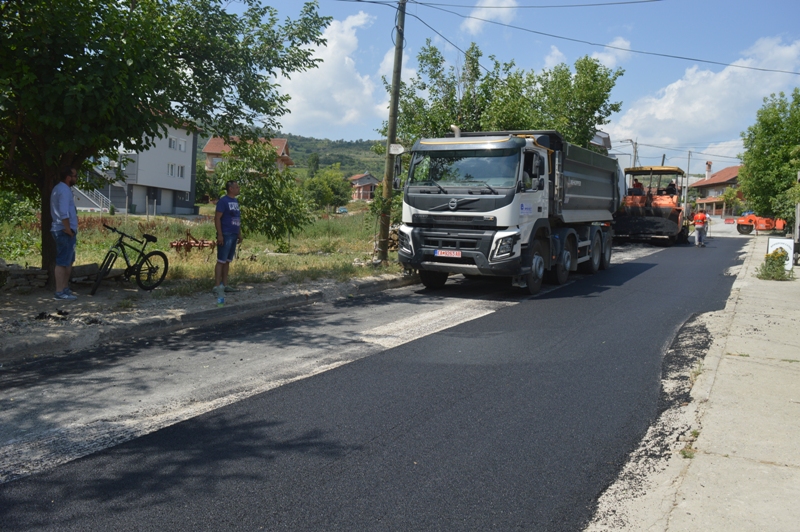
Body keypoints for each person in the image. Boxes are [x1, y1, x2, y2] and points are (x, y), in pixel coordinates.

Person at [50, 167, 79, 300]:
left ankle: (65, 288)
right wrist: (68, 229)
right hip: (64, 231)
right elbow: (63, 212)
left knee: (68, 261)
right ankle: (59, 291)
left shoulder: (61, 189)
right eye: (75, 176)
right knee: (62, 262)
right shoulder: (63, 190)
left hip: (67, 231)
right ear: (68, 177)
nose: (76, 178)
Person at [213, 180, 242, 300]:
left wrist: (239, 233)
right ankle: (216, 286)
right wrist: (220, 234)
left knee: (228, 261)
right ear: (231, 188)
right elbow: (217, 218)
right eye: (237, 187)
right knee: (221, 260)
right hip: (225, 234)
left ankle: (225, 285)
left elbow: (237, 218)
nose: (238, 188)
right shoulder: (223, 201)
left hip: (234, 234)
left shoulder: (235, 201)